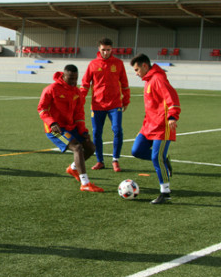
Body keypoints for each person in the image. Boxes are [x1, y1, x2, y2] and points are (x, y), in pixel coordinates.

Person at [38, 64, 104, 192]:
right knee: (77, 147)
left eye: (76, 79)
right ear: (63, 76)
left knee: (90, 147)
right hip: (55, 130)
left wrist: (83, 130)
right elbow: (42, 109)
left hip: (71, 126)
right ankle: (85, 183)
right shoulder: (51, 89)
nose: (74, 82)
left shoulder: (77, 92)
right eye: (71, 79)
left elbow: (79, 114)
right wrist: (51, 123)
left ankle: (73, 168)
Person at [130, 54, 180, 204]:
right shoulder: (149, 80)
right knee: (136, 150)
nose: (136, 73)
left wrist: (172, 116)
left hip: (162, 126)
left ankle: (165, 193)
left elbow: (172, 97)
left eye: (137, 69)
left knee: (155, 158)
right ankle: (164, 159)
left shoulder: (158, 78)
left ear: (145, 66)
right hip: (148, 126)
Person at [81, 38, 130, 172]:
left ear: (112, 49)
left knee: (117, 130)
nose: (106, 52)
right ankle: (100, 161)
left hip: (115, 104)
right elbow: (85, 84)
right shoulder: (93, 64)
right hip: (97, 105)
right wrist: (80, 99)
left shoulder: (118, 63)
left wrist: (126, 100)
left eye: (108, 50)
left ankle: (115, 160)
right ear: (99, 49)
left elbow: (125, 84)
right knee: (96, 133)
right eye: (103, 49)